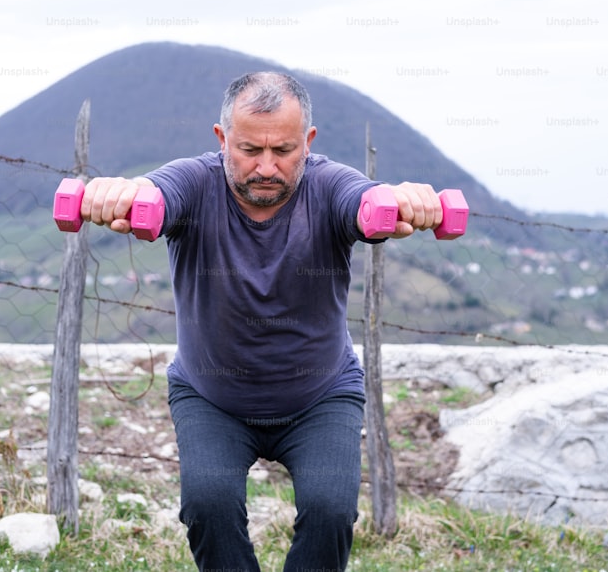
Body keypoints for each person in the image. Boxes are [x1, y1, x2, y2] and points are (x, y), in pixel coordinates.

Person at [81, 71, 444, 572]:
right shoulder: (194, 180)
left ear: (308, 142)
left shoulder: (327, 183)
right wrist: (121, 193)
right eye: (250, 149)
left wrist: (400, 202)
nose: (267, 167)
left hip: (321, 396)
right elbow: (156, 194)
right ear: (222, 138)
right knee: (207, 505)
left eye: (285, 150)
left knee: (330, 512)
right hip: (212, 397)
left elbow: (364, 203)